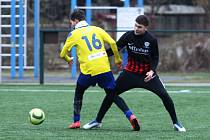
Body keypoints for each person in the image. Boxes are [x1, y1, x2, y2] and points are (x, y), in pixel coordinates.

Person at [83, 15, 186, 132]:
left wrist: (152, 71)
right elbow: (114, 49)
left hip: (147, 76)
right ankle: (97, 121)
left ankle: (176, 123)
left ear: (145, 28)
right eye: (135, 25)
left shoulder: (151, 40)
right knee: (111, 94)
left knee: (164, 95)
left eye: (140, 27)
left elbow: (155, 58)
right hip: (129, 74)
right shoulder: (128, 35)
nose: (136, 28)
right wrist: (99, 55)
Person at [60, 9, 140, 130]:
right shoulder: (97, 29)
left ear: (76, 21)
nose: (71, 25)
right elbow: (113, 43)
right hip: (104, 69)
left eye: (71, 22)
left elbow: (62, 54)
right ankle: (130, 116)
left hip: (89, 71)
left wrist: (68, 59)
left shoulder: (74, 34)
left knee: (78, 93)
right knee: (113, 95)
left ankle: (76, 121)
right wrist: (118, 60)